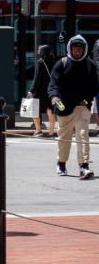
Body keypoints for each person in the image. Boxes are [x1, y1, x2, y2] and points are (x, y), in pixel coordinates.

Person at [49, 35, 97, 179]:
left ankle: (84, 167)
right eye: (75, 46)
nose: (77, 49)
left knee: (83, 135)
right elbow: (53, 84)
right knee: (65, 138)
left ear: (84, 49)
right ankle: (61, 163)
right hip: (64, 108)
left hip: (82, 107)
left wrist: (87, 100)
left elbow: (95, 86)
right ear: (70, 48)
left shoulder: (90, 65)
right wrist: (54, 96)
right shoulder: (61, 63)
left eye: (80, 47)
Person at [29, 45, 57, 138]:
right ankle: (52, 132)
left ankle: (38, 131)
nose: (37, 51)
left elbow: (37, 78)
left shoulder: (40, 62)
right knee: (50, 111)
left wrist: (32, 90)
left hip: (40, 91)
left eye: (39, 50)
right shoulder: (54, 62)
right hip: (50, 91)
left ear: (42, 52)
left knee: (35, 111)